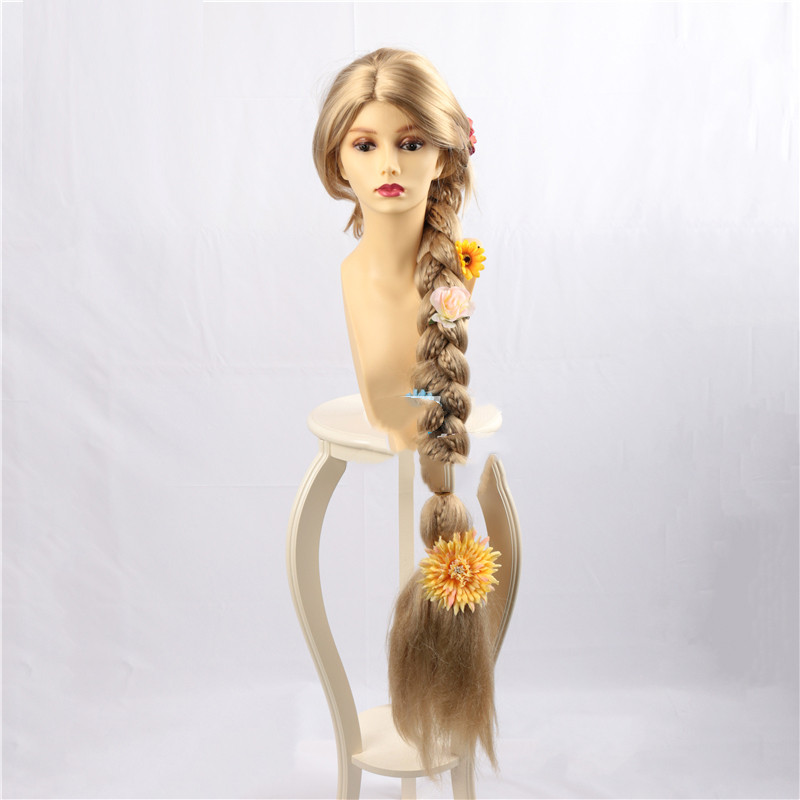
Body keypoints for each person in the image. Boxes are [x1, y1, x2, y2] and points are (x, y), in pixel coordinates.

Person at [312, 47, 498, 775]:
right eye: (366, 144)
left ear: (445, 157)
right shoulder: (353, 280)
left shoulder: (452, 281)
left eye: (411, 142)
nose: (389, 163)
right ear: (339, 162)